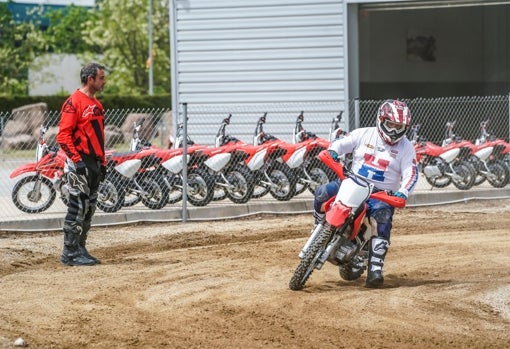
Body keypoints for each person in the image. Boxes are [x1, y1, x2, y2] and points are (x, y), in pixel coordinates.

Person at [313, 99, 419, 288]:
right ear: (381, 120)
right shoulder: (364, 133)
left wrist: (403, 192)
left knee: (383, 217)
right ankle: (318, 229)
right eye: (390, 125)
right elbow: (341, 143)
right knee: (322, 193)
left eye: (399, 126)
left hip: (380, 194)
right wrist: (333, 151)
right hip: (351, 181)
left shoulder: (406, 147)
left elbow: (411, 172)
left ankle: (375, 268)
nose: (394, 130)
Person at [56, 62, 107, 266]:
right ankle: (69, 253)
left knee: (89, 208)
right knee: (77, 207)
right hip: (78, 164)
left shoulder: (97, 105)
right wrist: (77, 161)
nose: (104, 81)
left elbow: (99, 137)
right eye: (101, 78)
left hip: (94, 164)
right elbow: (63, 136)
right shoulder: (73, 102)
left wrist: (102, 163)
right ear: (90, 79)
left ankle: (80, 248)